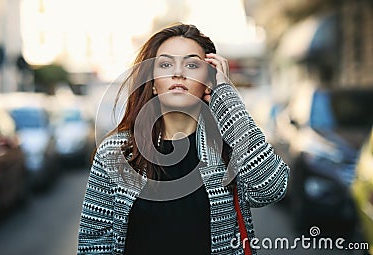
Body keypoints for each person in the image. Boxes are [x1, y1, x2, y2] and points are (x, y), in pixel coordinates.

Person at [77, 23, 289, 255]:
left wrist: (226, 95)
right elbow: (93, 242)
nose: (178, 73)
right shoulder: (115, 152)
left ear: (208, 81)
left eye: (191, 64)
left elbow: (272, 188)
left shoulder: (228, 146)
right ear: (154, 84)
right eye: (166, 64)